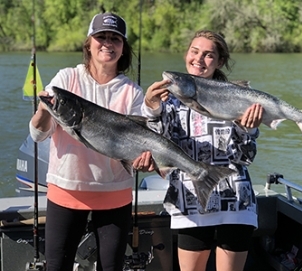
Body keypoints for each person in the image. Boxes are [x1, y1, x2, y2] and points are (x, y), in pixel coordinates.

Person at [29, 12, 152, 271]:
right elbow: (38, 134)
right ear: (89, 44)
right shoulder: (66, 80)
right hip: (66, 192)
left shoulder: (132, 92)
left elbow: (141, 146)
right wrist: (43, 109)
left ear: (123, 48)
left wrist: (146, 159)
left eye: (115, 38)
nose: (107, 43)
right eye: (101, 37)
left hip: (115, 195)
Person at [140, 30, 264, 271]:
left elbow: (246, 158)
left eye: (208, 55)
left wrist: (247, 131)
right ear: (186, 54)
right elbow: (161, 150)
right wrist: (152, 110)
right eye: (194, 51)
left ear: (220, 62)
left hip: (235, 201)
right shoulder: (169, 100)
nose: (199, 59)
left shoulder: (235, 96)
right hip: (189, 200)